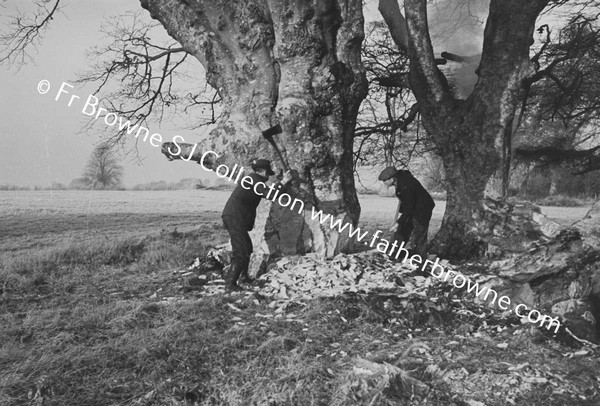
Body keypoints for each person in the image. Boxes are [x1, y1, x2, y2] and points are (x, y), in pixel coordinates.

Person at [221, 158, 292, 292]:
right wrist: (283, 182)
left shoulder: (253, 179)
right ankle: (230, 284)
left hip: (235, 218)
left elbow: (268, 191)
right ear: (262, 171)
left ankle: (243, 279)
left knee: (247, 248)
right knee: (240, 252)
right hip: (235, 218)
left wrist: (280, 183)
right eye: (267, 173)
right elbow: (270, 194)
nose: (268, 176)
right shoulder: (254, 181)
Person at [378, 166, 435, 261]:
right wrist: (400, 221)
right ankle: (395, 252)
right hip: (412, 208)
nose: (384, 183)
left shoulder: (406, 185)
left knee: (419, 235)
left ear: (392, 178)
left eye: (385, 180)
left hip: (422, 209)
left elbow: (409, 206)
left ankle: (420, 261)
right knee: (402, 230)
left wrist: (399, 222)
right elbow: (406, 202)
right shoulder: (400, 181)